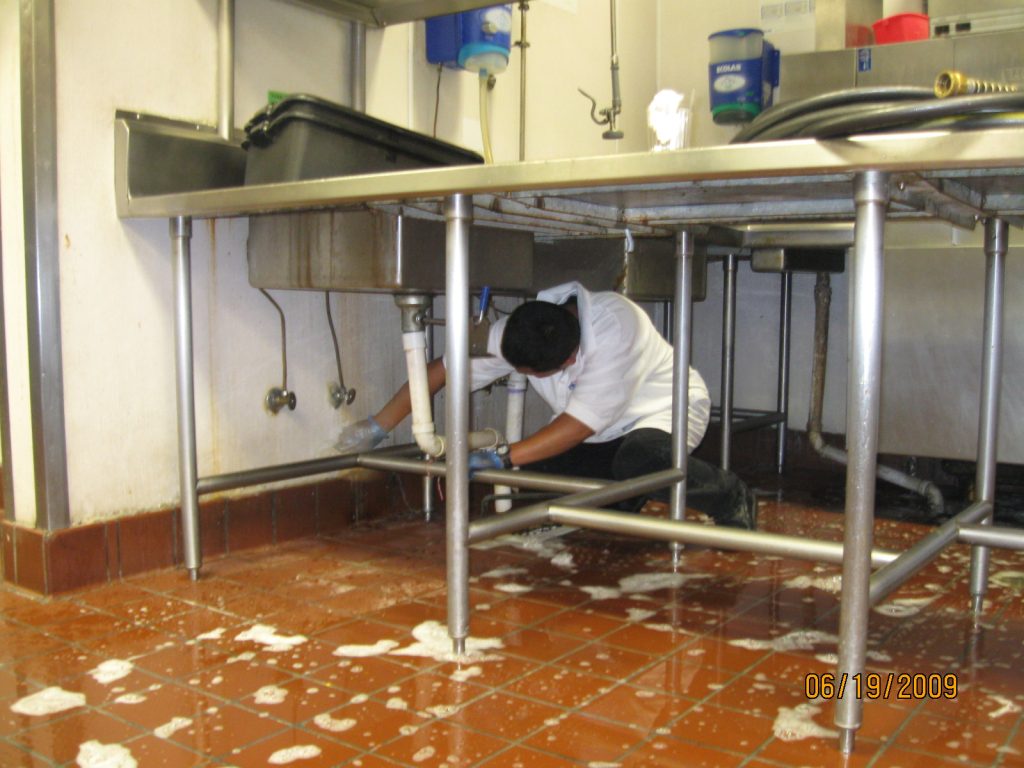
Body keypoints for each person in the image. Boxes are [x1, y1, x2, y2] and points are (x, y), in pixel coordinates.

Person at [335, 281, 757, 529]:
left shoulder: (616, 327)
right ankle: (622, 499)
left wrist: (503, 457)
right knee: (533, 500)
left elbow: (577, 426)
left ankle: (730, 495)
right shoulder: (515, 333)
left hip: (661, 411)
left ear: (570, 348)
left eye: (565, 364)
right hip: (599, 429)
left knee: (642, 460)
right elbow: (443, 370)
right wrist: (378, 425)